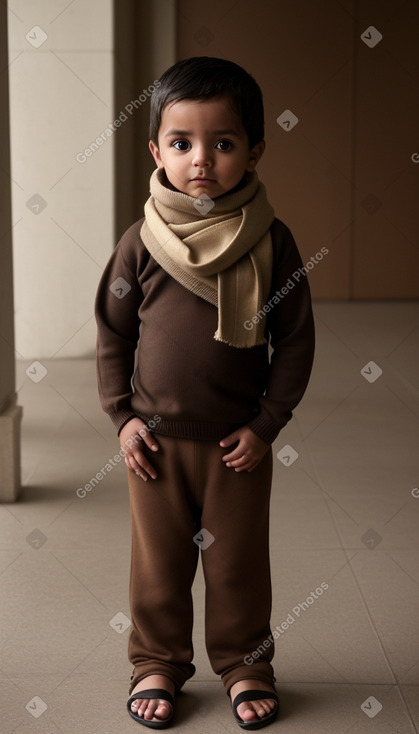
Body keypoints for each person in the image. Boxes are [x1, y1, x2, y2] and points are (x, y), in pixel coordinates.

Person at [95, 56, 315, 730]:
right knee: (158, 564)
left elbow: (295, 340)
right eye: (182, 143)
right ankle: (155, 661)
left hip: (234, 443)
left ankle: (245, 666)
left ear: (253, 151)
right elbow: (113, 332)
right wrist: (122, 419)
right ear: (157, 148)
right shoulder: (141, 242)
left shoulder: (271, 242)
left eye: (222, 143)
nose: (201, 160)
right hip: (154, 443)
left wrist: (267, 423)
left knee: (237, 565)